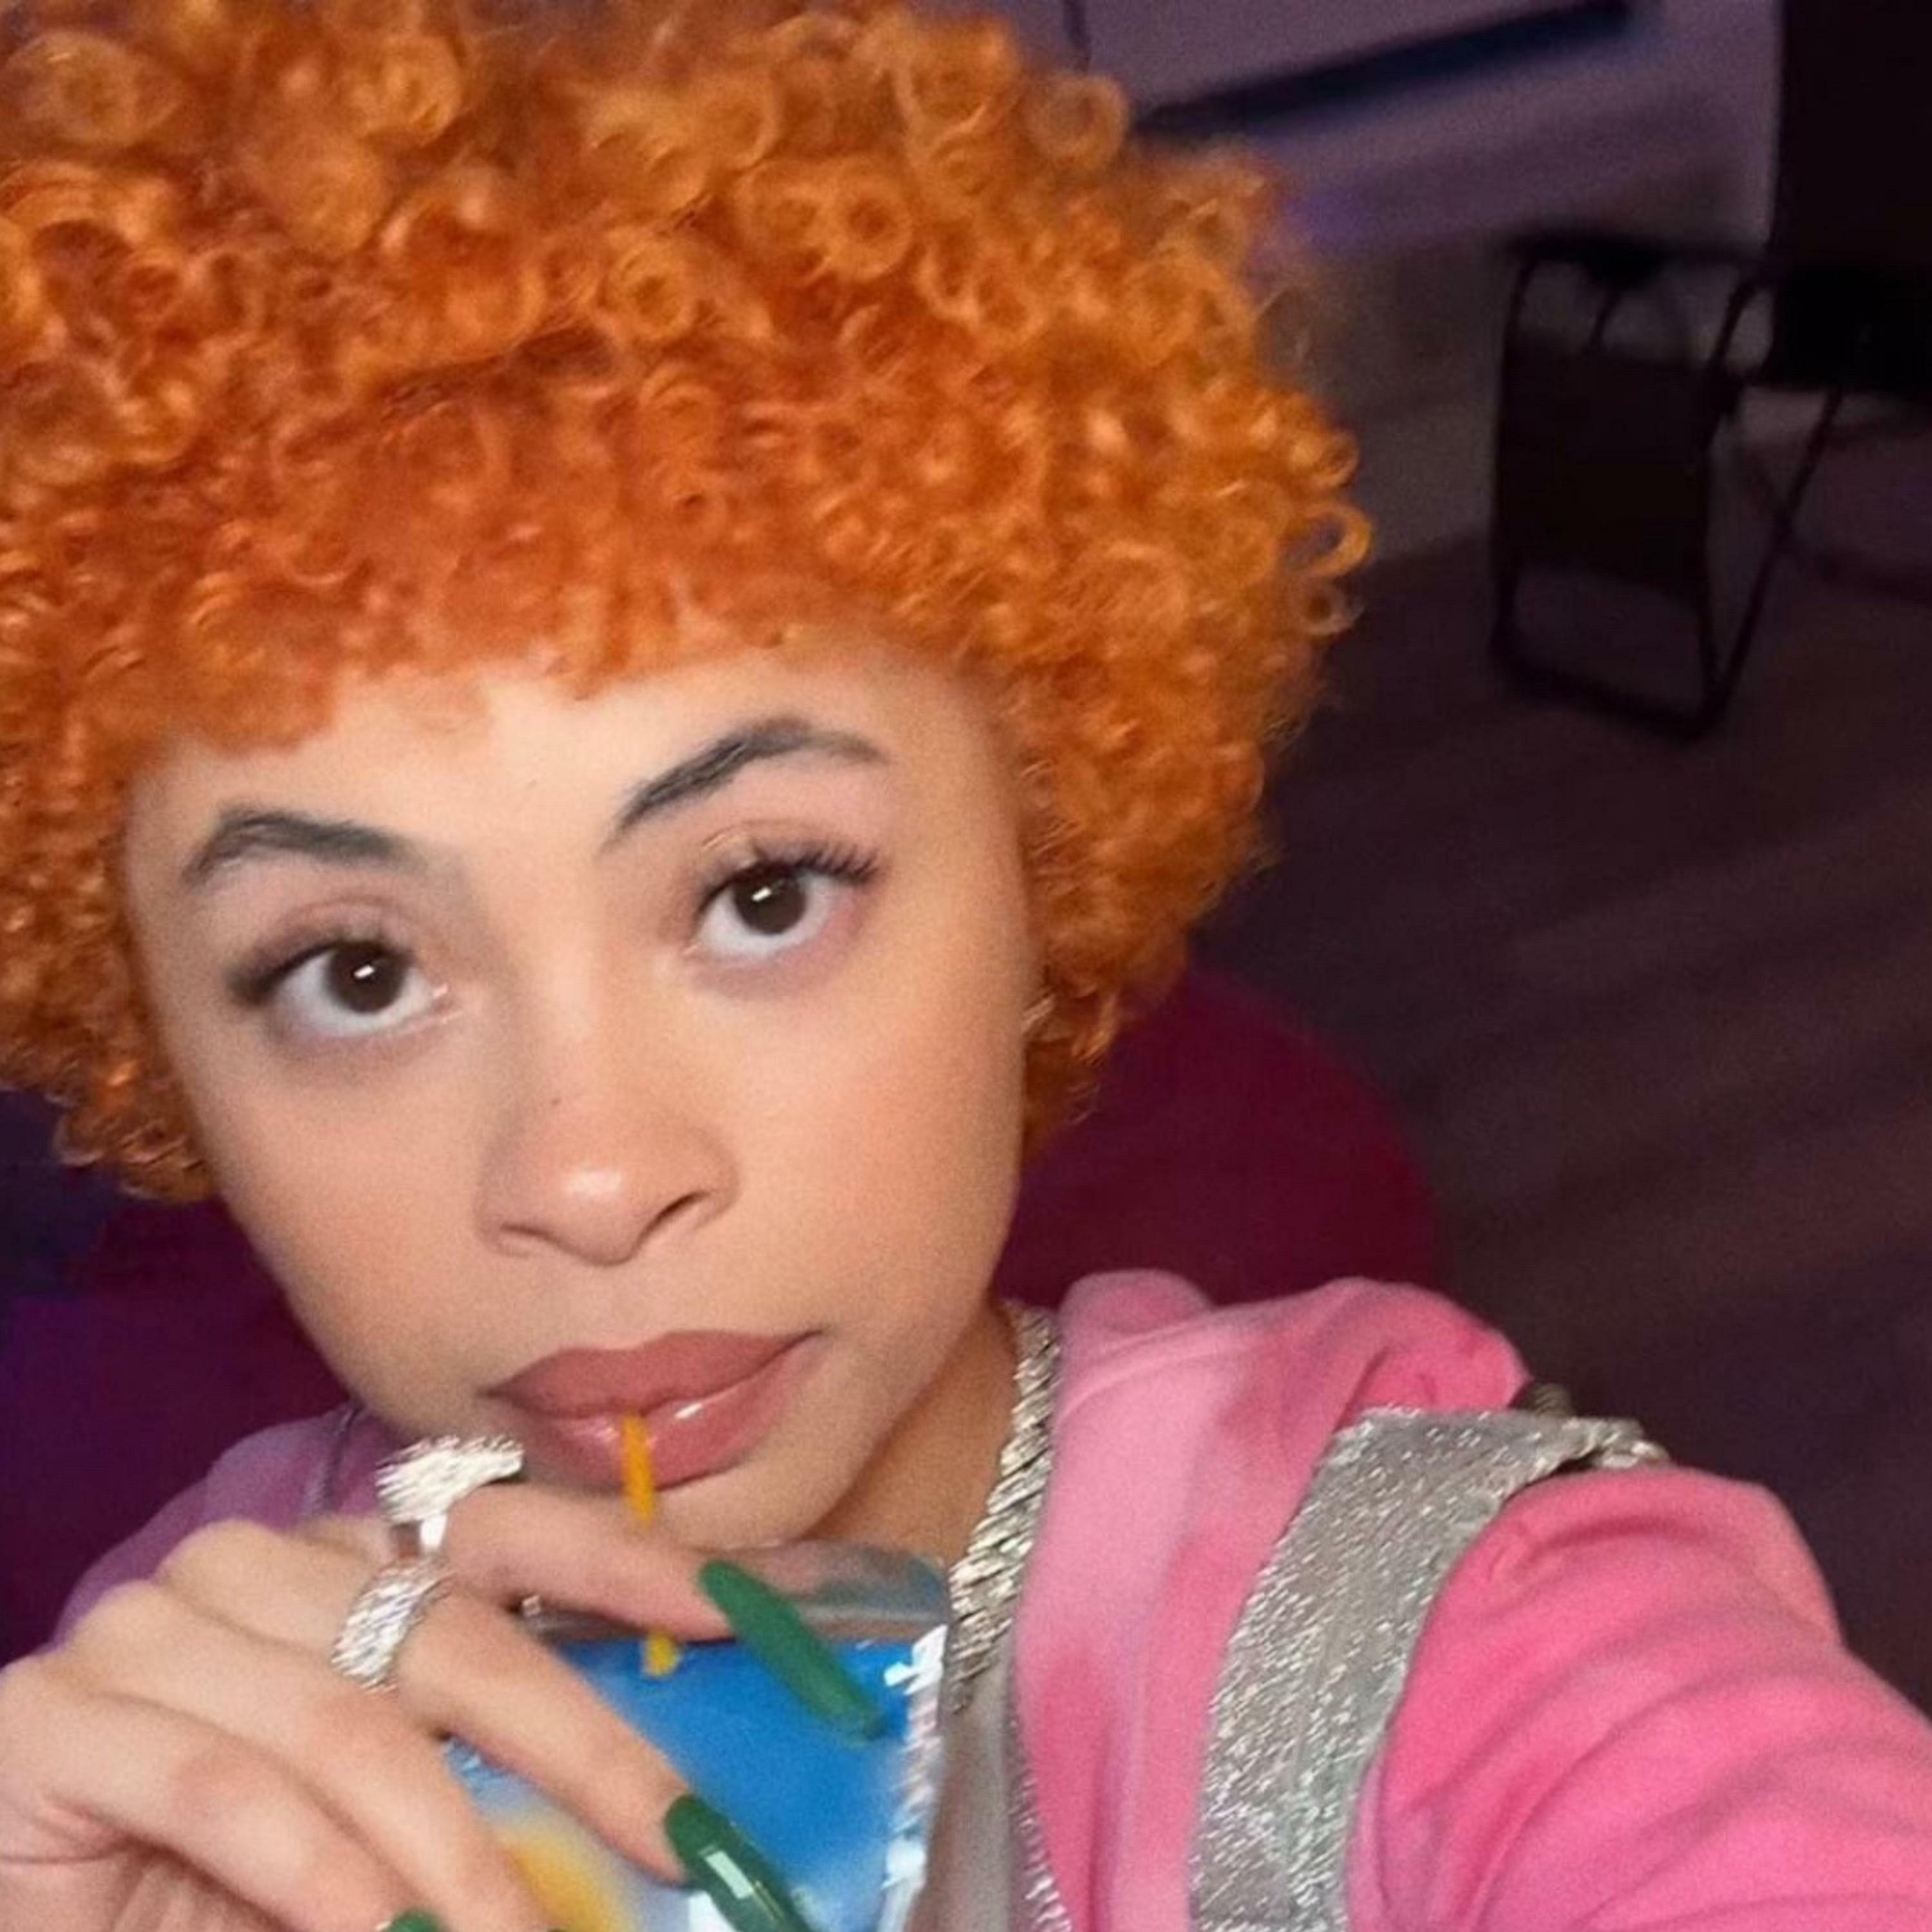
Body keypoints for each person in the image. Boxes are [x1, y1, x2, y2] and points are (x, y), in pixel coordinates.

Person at [1, 3, 1930, 1929]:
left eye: (765, 892)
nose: (589, 1178)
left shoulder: (1449, 1634)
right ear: (157, 1029)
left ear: (1040, 861)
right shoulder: (177, 1686)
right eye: (351, 973)